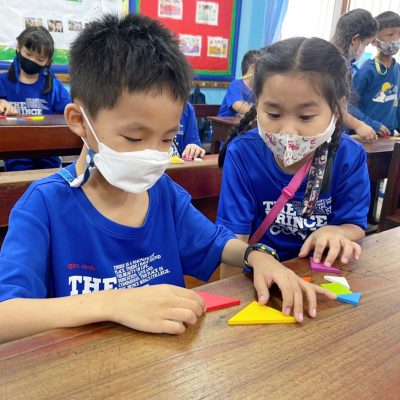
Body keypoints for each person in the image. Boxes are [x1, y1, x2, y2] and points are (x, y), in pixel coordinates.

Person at [0, 14, 335, 344]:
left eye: (166, 139)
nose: (151, 155)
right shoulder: (44, 205)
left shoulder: (162, 193)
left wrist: (257, 256)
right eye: (134, 138)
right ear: (79, 120)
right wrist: (113, 303)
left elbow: (218, 243)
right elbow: (6, 318)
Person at [217, 37, 370, 277]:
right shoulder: (243, 153)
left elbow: (354, 224)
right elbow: (233, 239)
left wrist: (338, 232)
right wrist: (230, 296)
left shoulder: (349, 156)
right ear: (257, 104)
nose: (288, 132)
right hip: (258, 275)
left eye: (306, 117)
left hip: (319, 274)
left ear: (337, 109)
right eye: (273, 114)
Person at [0, 26, 71, 171]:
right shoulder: (3, 82)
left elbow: (69, 110)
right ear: (18, 48)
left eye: (40, 59)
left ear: (48, 61)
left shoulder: (52, 85)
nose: (32, 61)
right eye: (28, 54)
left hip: (48, 155)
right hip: (15, 157)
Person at [331, 8, 378, 141]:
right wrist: (358, 125)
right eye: (366, 44)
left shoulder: (344, 64)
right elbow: (331, 105)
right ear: (355, 39)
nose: (365, 49)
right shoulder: (333, 65)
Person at [350, 11, 400, 137]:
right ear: (374, 40)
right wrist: (371, 124)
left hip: (389, 137)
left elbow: (397, 104)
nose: (396, 39)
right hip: (366, 136)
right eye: (390, 34)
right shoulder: (367, 70)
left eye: (399, 34)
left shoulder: (397, 69)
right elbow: (348, 106)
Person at [217, 49, 261, 117]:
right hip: (224, 123)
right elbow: (238, 106)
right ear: (253, 68)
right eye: (263, 69)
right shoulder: (236, 85)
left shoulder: (257, 89)